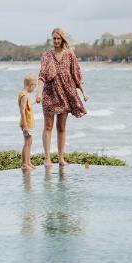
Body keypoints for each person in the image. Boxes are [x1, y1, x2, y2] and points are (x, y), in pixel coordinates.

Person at [36, 27, 88, 168]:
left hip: (65, 93)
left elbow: (76, 75)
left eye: (59, 39)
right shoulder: (47, 55)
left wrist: (83, 93)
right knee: (48, 126)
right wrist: (39, 93)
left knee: (61, 127)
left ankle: (60, 158)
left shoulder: (70, 55)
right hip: (49, 94)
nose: (56, 41)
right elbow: (41, 76)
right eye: (54, 39)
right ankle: (47, 158)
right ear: (51, 39)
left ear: (63, 39)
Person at [18, 74, 37, 172]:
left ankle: (28, 161)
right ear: (31, 85)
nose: (34, 89)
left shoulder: (24, 94)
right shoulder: (24, 96)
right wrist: (25, 124)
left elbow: (27, 106)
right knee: (27, 143)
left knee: (29, 142)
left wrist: (35, 102)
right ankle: (24, 164)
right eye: (34, 86)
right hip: (26, 123)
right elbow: (22, 110)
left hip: (28, 123)